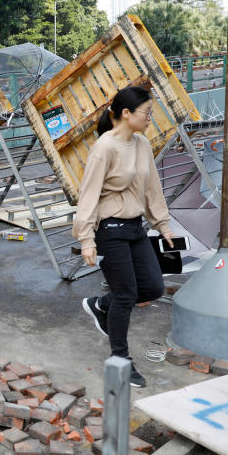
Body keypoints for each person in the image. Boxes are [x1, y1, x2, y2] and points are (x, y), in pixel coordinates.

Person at [73, 85, 174, 388]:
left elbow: (152, 187)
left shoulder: (142, 143)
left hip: (135, 227)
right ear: (126, 113)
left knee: (153, 287)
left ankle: (102, 305)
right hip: (109, 229)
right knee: (126, 293)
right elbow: (87, 195)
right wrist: (86, 239)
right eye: (146, 113)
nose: (150, 118)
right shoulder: (105, 148)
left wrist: (163, 225)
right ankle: (121, 359)